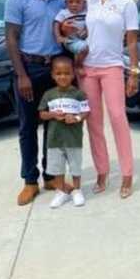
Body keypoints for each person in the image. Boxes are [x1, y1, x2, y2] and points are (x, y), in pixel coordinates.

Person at [4, 0, 66, 205]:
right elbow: (11, 38)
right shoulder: (17, 0)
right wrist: (21, 75)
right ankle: (30, 181)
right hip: (29, 68)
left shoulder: (60, 1)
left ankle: (50, 176)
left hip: (55, 70)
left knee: (54, 125)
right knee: (28, 127)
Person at [79, 0, 140, 199]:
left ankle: (127, 173)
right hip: (87, 69)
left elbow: (132, 41)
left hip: (112, 67)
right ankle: (102, 171)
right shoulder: (87, 2)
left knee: (117, 118)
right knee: (93, 123)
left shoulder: (126, 3)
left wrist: (133, 73)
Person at [38, 56, 90, 208]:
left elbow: (86, 112)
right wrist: (53, 115)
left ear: (73, 74)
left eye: (67, 73)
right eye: (59, 73)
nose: (63, 77)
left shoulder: (79, 94)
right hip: (54, 139)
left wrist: (76, 118)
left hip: (73, 139)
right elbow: (42, 114)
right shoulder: (49, 94)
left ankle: (77, 190)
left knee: (75, 166)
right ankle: (61, 192)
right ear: (53, 75)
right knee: (57, 167)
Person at [54, 0, 89, 66]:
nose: (74, 5)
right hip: (70, 40)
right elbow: (56, 23)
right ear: (66, 3)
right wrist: (58, 37)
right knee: (84, 49)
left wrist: (86, 30)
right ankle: (78, 65)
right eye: (71, 2)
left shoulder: (86, 12)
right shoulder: (64, 13)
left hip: (84, 38)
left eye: (78, 2)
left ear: (84, 2)